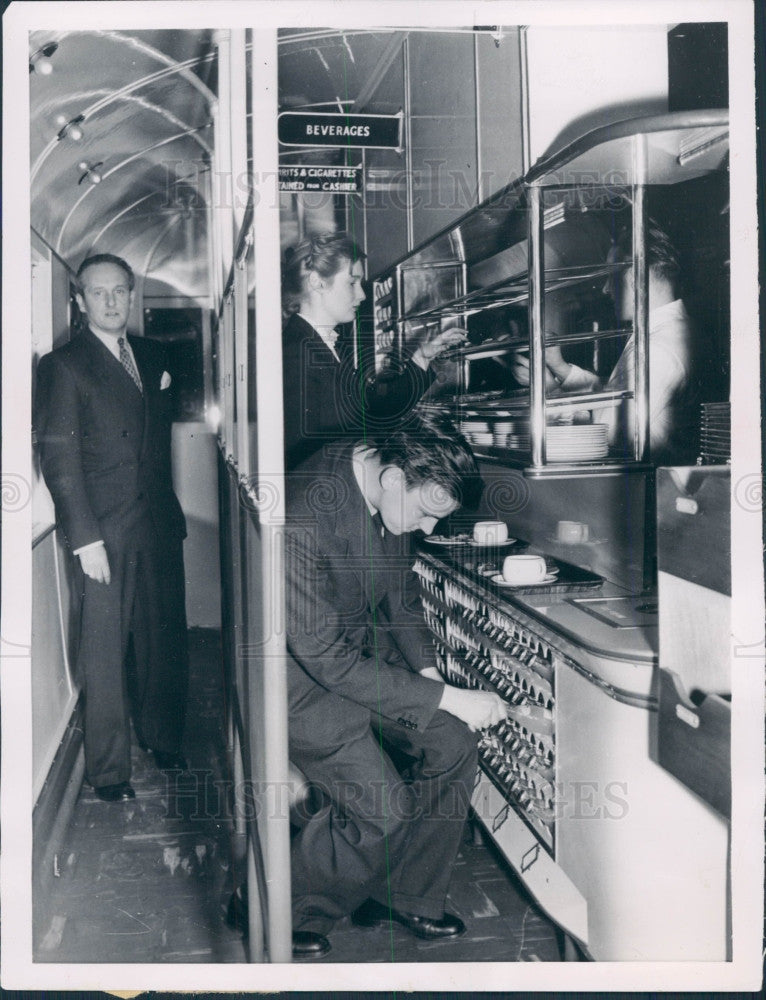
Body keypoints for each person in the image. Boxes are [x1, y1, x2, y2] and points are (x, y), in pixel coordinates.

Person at [229, 412, 507, 959]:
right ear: (394, 479)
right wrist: (451, 698)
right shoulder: (304, 514)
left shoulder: (388, 481)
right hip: (297, 678)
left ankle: (403, 893)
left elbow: (400, 597)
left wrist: (429, 679)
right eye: (427, 514)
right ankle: (267, 902)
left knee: (453, 744)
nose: (428, 531)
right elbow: (328, 663)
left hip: (355, 659)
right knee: (383, 807)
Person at [35, 254, 189, 802]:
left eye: (119, 291)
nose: (110, 301)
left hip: (158, 523)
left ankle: (165, 737)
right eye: (97, 293)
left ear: (132, 294)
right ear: (79, 301)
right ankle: (108, 770)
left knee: (164, 638)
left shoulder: (153, 356)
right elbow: (60, 462)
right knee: (102, 649)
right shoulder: (64, 366)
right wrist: (86, 540)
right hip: (103, 533)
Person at [512, 222, 698, 465]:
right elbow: (617, 396)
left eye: (610, 277)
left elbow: (606, 434)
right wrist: (562, 369)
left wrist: (548, 388)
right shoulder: (670, 331)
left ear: (634, 277)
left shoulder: (658, 348)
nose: (605, 289)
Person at [281, 231, 467, 469]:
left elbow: (371, 413)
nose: (362, 294)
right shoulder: (295, 355)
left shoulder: (329, 345)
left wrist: (422, 356)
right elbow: (314, 458)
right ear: (318, 282)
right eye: (352, 282)